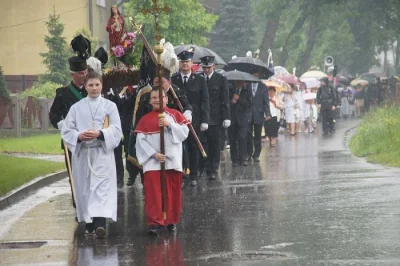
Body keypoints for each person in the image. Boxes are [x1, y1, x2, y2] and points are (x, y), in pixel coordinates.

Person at [61, 71, 123, 238]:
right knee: (86, 190)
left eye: (97, 85)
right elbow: (67, 131)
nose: (94, 88)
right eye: (91, 85)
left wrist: (101, 134)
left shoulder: (110, 106)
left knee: (101, 189)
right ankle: (90, 224)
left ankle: (100, 224)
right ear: (85, 86)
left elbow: (117, 130)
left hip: (102, 153)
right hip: (83, 154)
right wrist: (79, 136)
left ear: (102, 85)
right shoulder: (76, 107)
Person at [135, 88, 190, 235]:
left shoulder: (175, 115)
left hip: (171, 161)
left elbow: (184, 133)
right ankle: (154, 222)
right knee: (154, 193)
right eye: (153, 97)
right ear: (150, 101)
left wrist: (169, 125)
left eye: (160, 97)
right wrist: (154, 155)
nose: (157, 100)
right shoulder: (145, 119)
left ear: (167, 99)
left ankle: (171, 220)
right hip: (153, 162)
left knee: (171, 192)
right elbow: (140, 141)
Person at [49, 56, 88, 208]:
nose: (84, 76)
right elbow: (53, 114)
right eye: (80, 73)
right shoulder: (62, 93)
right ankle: (78, 204)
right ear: (72, 74)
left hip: (90, 138)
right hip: (71, 139)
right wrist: (61, 124)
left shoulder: (91, 90)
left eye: (85, 72)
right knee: (74, 173)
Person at [171, 50, 210, 186]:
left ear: (191, 63)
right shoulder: (173, 79)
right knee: (181, 147)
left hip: (195, 119)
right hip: (178, 119)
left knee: (194, 147)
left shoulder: (199, 80)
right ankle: (183, 175)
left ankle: (193, 174)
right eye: (182, 62)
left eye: (187, 62)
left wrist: (205, 120)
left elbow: (205, 100)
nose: (185, 64)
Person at [199, 56, 230, 180]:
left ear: (214, 67)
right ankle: (205, 167)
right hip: (202, 116)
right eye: (204, 67)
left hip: (216, 116)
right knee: (203, 143)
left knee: (215, 144)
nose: (206, 70)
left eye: (208, 67)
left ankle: (213, 167)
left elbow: (225, 99)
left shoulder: (221, 79)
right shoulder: (199, 79)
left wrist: (226, 116)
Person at [246, 69, 271, 162]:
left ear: (259, 76)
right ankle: (248, 153)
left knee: (257, 135)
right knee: (248, 134)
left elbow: (266, 101)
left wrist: (267, 113)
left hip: (259, 114)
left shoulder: (263, 87)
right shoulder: (247, 86)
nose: (255, 77)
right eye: (253, 75)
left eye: (257, 75)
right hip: (248, 114)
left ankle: (256, 154)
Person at [229, 81, 251, 166]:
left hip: (242, 118)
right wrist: (232, 100)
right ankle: (234, 159)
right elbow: (225, 102)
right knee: (232, 139)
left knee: (242, 138)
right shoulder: (230, 90)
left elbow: (249, 105)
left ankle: (243, 158)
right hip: (232, 118)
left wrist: (239, 99)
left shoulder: (247, 91)